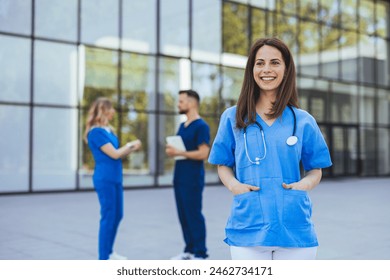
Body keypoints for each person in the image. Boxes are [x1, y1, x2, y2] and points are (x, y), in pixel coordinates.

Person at [208, 38, 332, 260]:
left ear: (286, 69)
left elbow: (316, 169)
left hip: (294, 227)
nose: (266, 69)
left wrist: (305, 184)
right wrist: (234, 185)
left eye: (275, 62)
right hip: (248, 228)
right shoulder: (232, 117)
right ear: (251, 69)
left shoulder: (303, 120)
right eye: (260, 63)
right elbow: (223, 164)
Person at [84, 97, 142, 260]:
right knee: (109, 215)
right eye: (111, 109)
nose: (114, 112)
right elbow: (115, 153)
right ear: (104, 110)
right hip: (105, 178)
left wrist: (130, 148)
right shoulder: (95, 132)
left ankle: (109, 252)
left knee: (118, 215)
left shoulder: (109, 130)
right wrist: (131, 144)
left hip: (116, 177)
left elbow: (118, 154)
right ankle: (103, 257)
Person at [165, 89, 210, 260]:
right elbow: (182, 151)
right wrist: (174, 151)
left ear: (191, 103)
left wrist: (179, 152)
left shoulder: (201, 126)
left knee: (194, 214)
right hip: (179, 176)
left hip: (192, 178)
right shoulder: (182, 126)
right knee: (183, 214)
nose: (178, 104)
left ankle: (201, 253)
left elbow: (203, 154)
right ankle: (189, 250)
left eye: (181, 101)